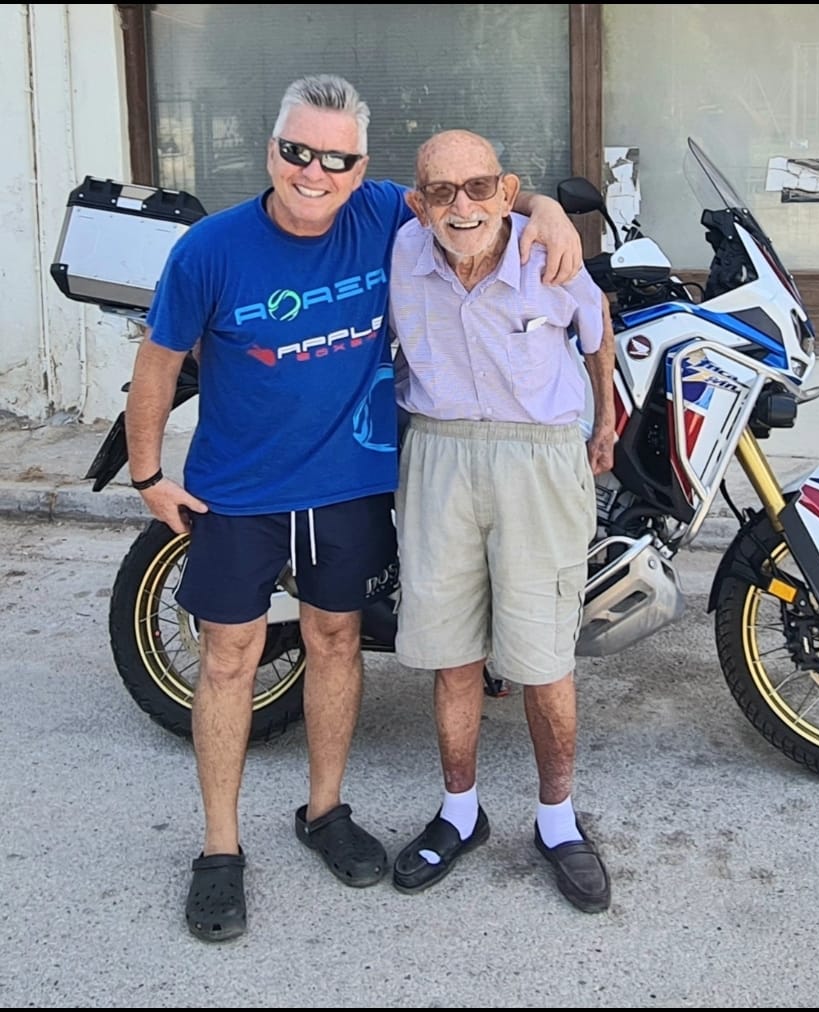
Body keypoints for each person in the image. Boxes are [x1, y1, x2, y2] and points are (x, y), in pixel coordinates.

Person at [123, 75, 585, 943]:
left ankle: (325, 812)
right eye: (297, 151)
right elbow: (159, 359)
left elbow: (472, 196)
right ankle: (219, 851)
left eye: (336, 159)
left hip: (348, 485)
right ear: (272, 150)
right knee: (228, 661)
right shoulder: (210, 248)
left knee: (336, 643)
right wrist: (148, 473)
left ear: (361, 169)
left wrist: (551, 211)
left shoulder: (382, 214)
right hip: (239, 491)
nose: (315, 172)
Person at [386, 129, 617, 913]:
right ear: (418, 203)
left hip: (537, 460)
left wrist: (605, 423)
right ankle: (460, 813)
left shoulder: (546, 249)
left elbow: (596, 327)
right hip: (438, 456)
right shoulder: (399, 254)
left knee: (544, 662)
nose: (463, 206)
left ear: (508, 191)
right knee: (452, 658)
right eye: (441, 192)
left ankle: (557, 822)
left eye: (480, 187)